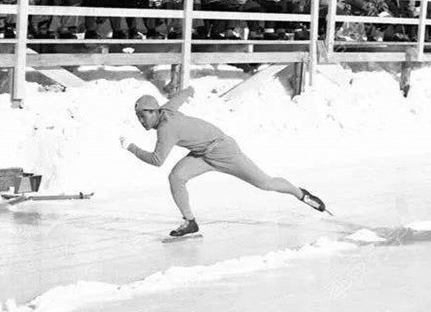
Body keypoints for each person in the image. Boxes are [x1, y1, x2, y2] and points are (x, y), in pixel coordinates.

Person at [121, 88, 329, 237]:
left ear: (154, 111)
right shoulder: (166, 110)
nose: (141, 121)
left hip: (224, 151)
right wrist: (190, 91)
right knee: (176, 177)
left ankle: (301, 194)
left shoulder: (166, 129)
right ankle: (190, 222)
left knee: (264, 183)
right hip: (202, 155)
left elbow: (157, 160)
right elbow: (180, 96)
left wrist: (131, 147)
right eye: (138, 117)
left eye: (142, 116)